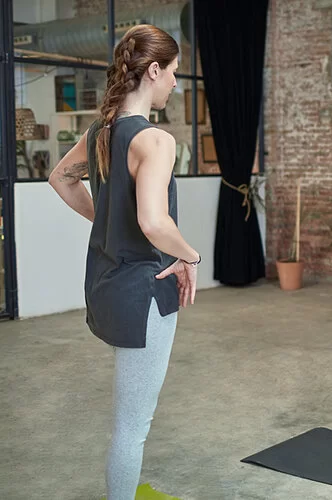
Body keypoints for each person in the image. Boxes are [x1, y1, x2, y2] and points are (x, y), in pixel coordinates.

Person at [48, 25, 200, 500]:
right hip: (144, 292)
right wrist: (191, 255)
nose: (176, 83)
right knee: (132, 427)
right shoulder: (154, 140)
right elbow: (154, 223)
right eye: (173, 73)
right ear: (153, 70)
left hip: (106, 288)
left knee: (129, 420)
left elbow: (60, 179)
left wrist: (109, 222)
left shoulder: (100, 132)